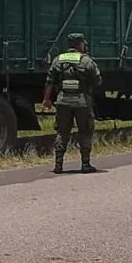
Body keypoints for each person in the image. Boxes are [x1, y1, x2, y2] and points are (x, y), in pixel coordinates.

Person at [42, 32, 102, 174]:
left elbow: (49, 81)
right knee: (85, 131)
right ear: (80, 44)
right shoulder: (86, 60)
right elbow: (98, 80)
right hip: (82, 102)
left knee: (62, 132)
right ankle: (85, 164)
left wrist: (46, 99)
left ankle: (58, 165)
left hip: (63, 101)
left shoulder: (58, 60)